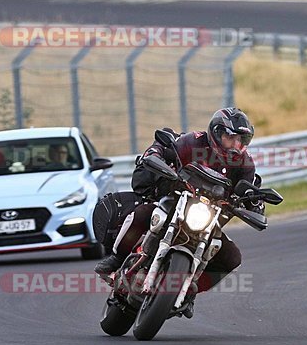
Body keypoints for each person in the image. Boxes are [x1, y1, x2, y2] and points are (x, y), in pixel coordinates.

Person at [94, 107, 263, 316]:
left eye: (241, 140)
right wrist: (156, 154)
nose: (236, 145)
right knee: (144, 213)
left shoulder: (244, 163)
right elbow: (166, 149)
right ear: (217, 133)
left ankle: (190, 290)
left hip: (209, 219)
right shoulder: (193, 142)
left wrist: (255, 203)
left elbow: (248, 189)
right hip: (176, 202)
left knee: (232, 257)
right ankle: (118, 259)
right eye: (231, 138)